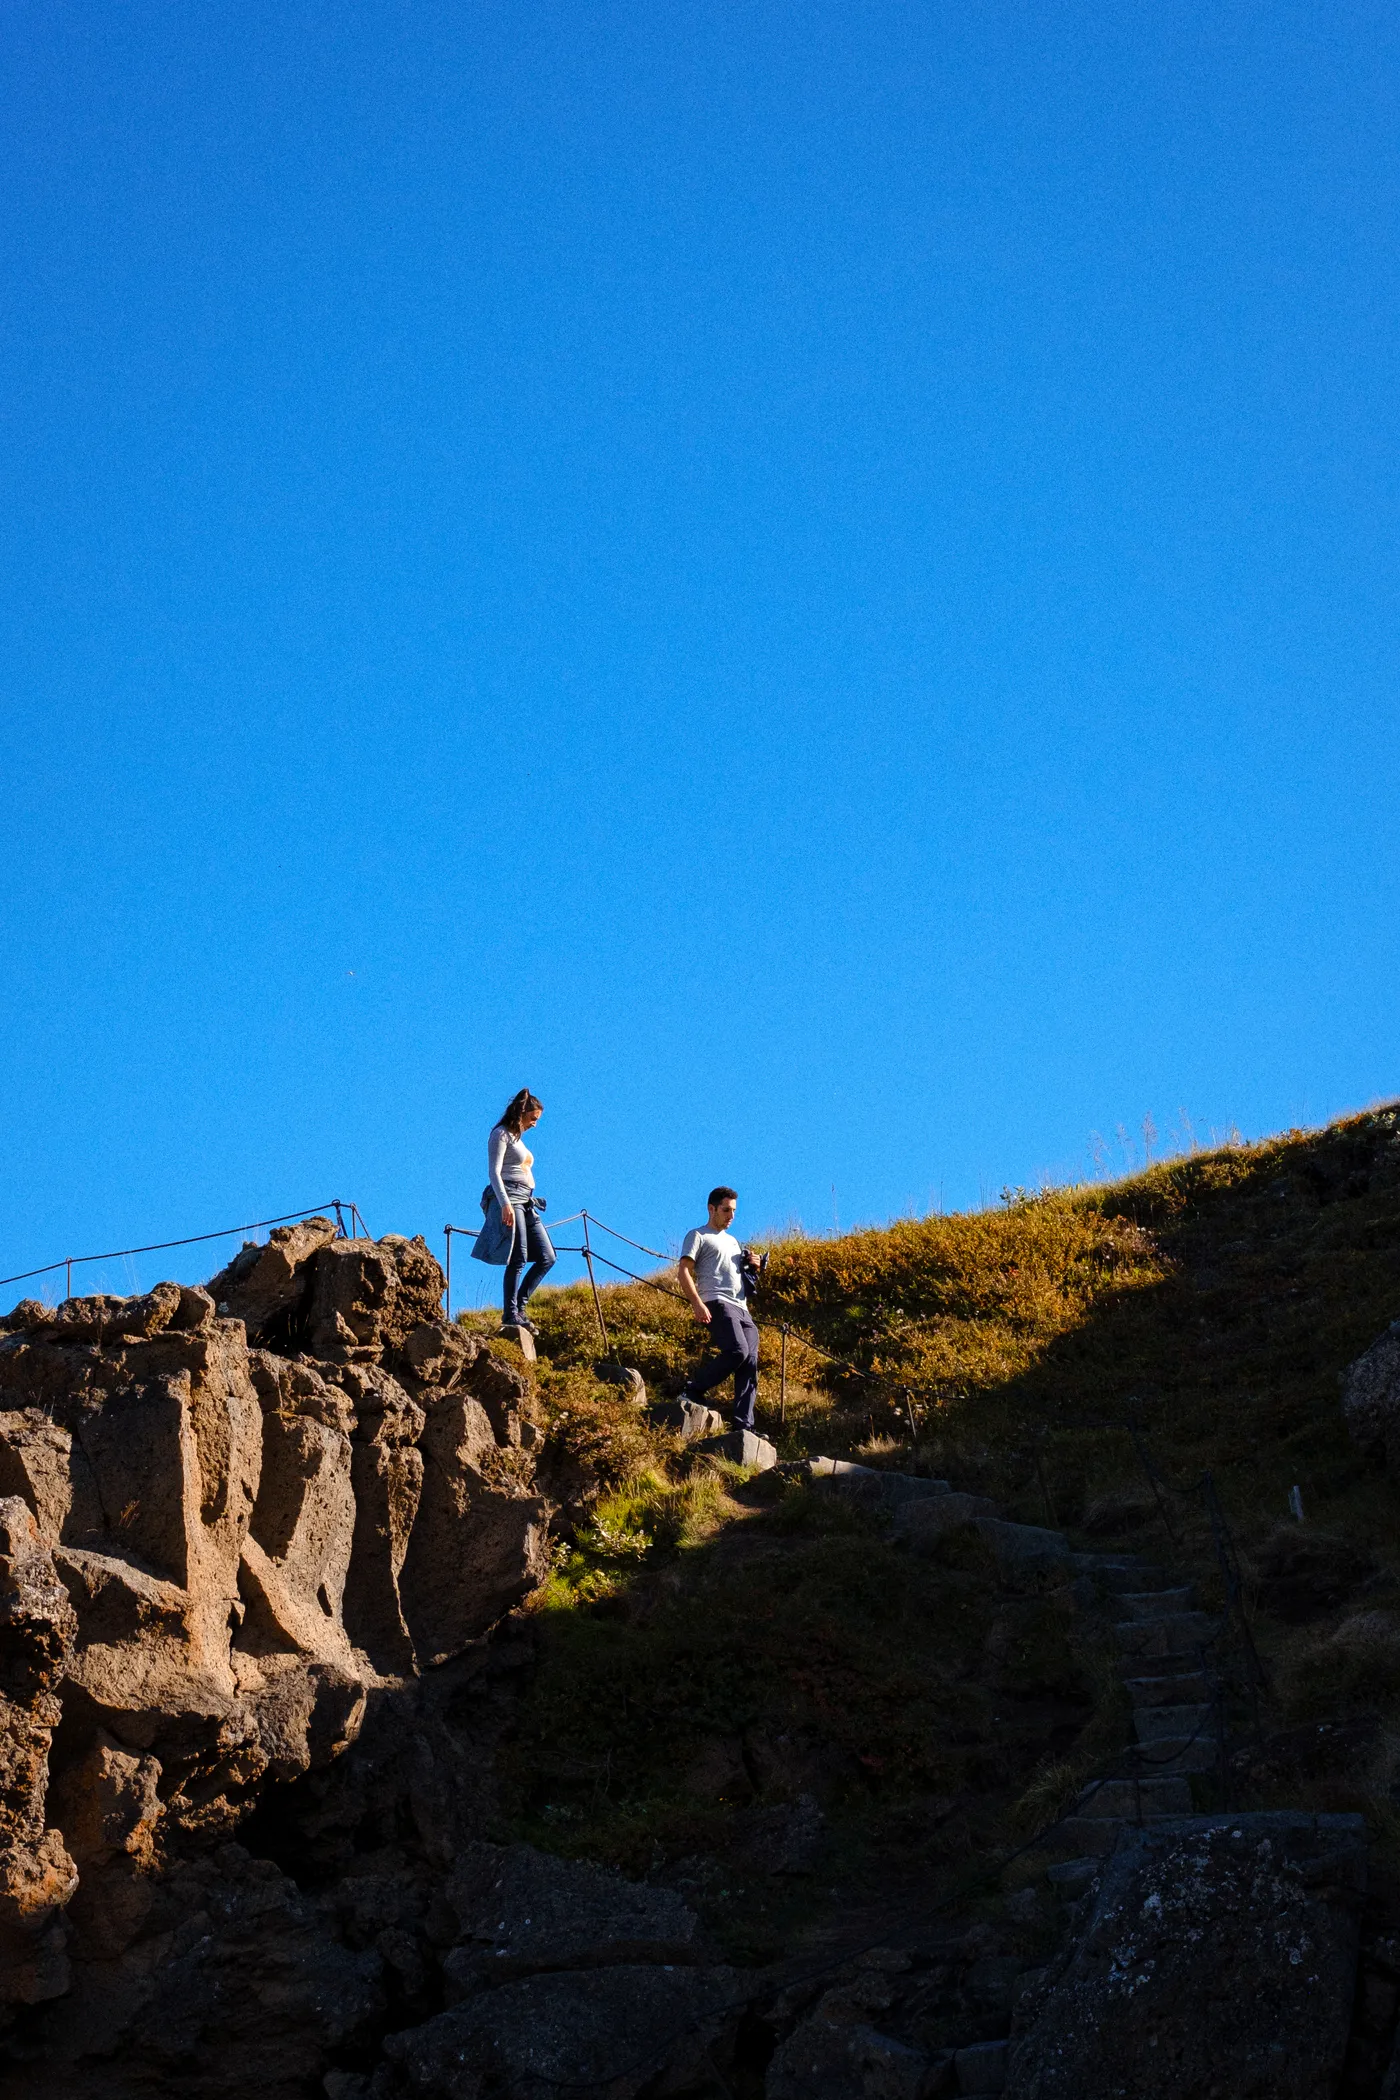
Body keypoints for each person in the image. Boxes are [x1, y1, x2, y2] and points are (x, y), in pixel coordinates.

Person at [471, 1088, 556, 1333]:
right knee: (518, 1256)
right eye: (534, 1118)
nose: (535, 1124)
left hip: (527, 1200)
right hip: (510, 1198)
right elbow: (494, 1172)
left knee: (547, 1257)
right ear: (523, 1113)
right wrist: (505, 1204)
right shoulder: (501, 1135)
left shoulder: (518, 1140)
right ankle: (510, 1314)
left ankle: (519, 1305)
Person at [676, 1186, 761, 1432]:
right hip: (717, 1302)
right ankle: (693, 1390)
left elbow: (737, 1274)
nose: (731, 1216)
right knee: (737, 1350)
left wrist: (753, 1265)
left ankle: (744, 1425)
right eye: (725, 1210)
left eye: (733, 1210)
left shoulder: (734, 1242)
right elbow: (683, 1271)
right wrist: (697, 1303)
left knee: (750, 1363)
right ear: (711, 1208)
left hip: (742, 1307)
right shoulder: (698, 1235)